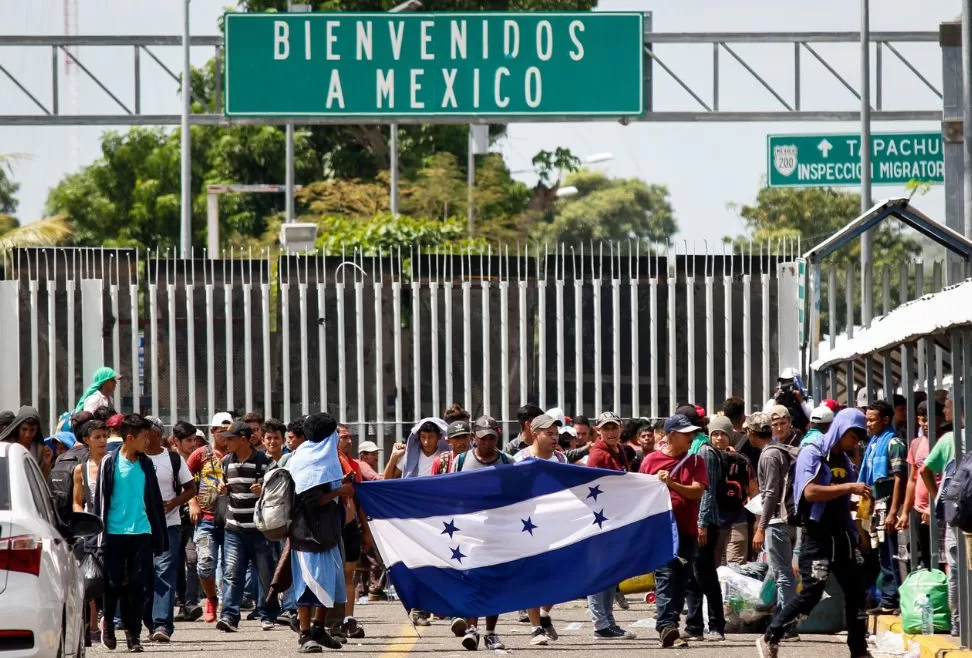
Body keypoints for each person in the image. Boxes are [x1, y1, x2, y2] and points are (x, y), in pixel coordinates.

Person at [757, 409, 871, 658]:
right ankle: (772, 635)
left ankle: (859, 649)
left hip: (842, 534)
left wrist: (857, 512)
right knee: (812, 592)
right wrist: (849, 487)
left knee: (856, 591)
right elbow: (809, 492)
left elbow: (838, 498)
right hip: (817, 534)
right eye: (854, 434)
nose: (856, 440)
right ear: (841, 429)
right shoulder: (813, 452)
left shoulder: (845, 458)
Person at [95, 414, 169, 653]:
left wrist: (159, 535)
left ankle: (133, 634)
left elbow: (155, 501)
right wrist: (98, 538)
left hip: (141, 532)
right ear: (130, 438)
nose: (147, 441)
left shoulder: (147, 464)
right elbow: (101, 502)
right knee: (114, 583)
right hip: (115, 533)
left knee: (138, 586)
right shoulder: (110, 462)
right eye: (144, 437)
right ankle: (108, 623)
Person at [640, 414, 708, 649]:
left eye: (692, 432)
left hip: (686, 530)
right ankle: (667, 625)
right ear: (671, 435)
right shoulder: (650, 461)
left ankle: (670, 624)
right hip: (661, 530)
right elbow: (640, 494)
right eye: (686, 433)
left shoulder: (697, 461)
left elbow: (697, 492)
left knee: (682, 577)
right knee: (666, 575)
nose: (691, 437)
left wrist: (673, 484)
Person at [287, 412, 350, 653]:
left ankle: (319, 628)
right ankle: (305, 635)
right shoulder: (309, 460)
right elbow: (311, 499)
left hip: (328, 532)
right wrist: (340, 492)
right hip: (307, 535)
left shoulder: (326, 458)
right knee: (307, 584)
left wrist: (340, 485)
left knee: (329, 582)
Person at [452, 415, 513, 651]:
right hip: (468, 531)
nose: (488, 442)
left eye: (491, 438)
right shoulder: (461, 460)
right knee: (473, 581)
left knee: (494, 583)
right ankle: (472, 629)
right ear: (473, 438)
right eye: (483, 438)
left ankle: (490, 632)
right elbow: (449, 491)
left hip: (498, 532)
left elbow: (517, 493)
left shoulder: (507, 461)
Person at [216, 420, 279, 632]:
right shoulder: (225, 462)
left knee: (264, 573)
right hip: (234, 528)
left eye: (230, 439)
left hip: (260, 529)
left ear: (243, 440)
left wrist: (263, 490)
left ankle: (267, 613)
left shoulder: (265, 461)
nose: (226, 443)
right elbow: (223, 487)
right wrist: (222, 489)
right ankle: (229, 616)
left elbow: (279, 488)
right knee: (232, 572)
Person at [142, 417, 196, 643]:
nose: (143, 438)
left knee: (164, 571)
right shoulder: (134, 459)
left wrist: (174, 502)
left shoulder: (172, 459)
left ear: (156, 434)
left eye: (146, 433)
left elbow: (191, 488)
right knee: (145, 574)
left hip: (169, 525)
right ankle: (148, 621)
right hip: (140, 526)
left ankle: (162, 624)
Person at [584, 411, 637, 641]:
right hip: (601, 520)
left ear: (621, 427)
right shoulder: (598, 455)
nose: (611, 432)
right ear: (598, 430)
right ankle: (601, 624)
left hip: (615, 519)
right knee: (600, 573)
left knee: (610, 574)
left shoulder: (618, 451)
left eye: (614, 427)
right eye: (606, 428)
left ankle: (608, 621)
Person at [514, 413, 566, 645]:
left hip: (556, 527)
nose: (554, 438)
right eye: (549, 433)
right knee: (531, 577)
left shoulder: (562, 460)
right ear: (535, 434)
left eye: (556, 433)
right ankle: (535, 628)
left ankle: (544, 614)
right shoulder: (519, 460)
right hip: (528, 527)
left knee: (561, 577)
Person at [749, 411, 800, 641]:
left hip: (779, 521)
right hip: (792, 519)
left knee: (783, 575)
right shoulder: (783, 450)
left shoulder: (769, 455)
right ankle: (779, 617)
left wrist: (762, 525)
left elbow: (770, 493)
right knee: (782, 573)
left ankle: (787, 625)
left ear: (751, 433)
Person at [683, 405, 725, 643]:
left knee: (705, 574)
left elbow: (706, 492)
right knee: (692, 576)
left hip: (705, 522)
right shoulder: (692, 449)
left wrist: (701, 524)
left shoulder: (705, 451)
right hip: (692, 521)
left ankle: (717, 625)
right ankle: (694, 624)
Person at [186, 411, 233, 623]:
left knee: (231, 567)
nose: (225, 436)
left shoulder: (238, 453)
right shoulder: (200, 454)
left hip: (232, 518)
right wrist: (192, 502)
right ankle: (212, 598)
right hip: (206, 517)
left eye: (229, 432)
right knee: (205, 563)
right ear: (213, 432)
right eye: (221, 432)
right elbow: (185, 480)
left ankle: (229, 607)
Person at [859, 400, 906, 614]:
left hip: (888, 506)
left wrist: (893, 512)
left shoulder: (893, 443)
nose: (868, 424)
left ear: (885, 420)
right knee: (881, 554)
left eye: (872, 419)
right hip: (876, 507)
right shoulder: (873, 443)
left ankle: (892, 600)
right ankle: (886, 598)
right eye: (866, 419)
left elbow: (899, 479)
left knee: (891, 554)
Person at [919, 405, 960, 635]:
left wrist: (937, 499)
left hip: (956, 512)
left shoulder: (949, 439)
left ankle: (958, 623)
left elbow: (924, 470)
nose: (946, 409)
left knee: (954, 567)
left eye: (947, 405)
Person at [332, 423, 372, 640]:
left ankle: (348, 618)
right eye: (344, 437)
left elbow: (359, 500)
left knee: (350, 574)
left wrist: (366, 531)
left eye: (349, 437)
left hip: (350, 527)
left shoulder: (355, 466)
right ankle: (330, 620)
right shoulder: (329, 462)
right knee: (333, 575)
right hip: (332, 527)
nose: (349, 441)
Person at [72, 419, 108, 646]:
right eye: (97, 437)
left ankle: (108, 623)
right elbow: (77, 502)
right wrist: (84, 523)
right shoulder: (81, 469)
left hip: (113, 530)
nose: (103, 441)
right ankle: (91, 626)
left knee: (111, 579)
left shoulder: (114, 464)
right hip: (90, 533)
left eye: (105, 436)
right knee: (90, 579)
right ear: (87, 441)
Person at [898, 400, 944, 569]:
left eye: (930, 419)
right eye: (923, 420)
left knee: (942, 558)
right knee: (926, 555)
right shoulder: (916, 444)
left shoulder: (945, 442)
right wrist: (905, 512)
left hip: (940, 510)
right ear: (918, 420)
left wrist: (934, 506)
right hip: (919, 511)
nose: (926, 425)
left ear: (940, 419)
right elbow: (912, 479)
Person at [709, 415, 755, 566]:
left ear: (730, 436)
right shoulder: (703, 458)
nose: (719, 438)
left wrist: (758, 523)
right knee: (713, 568)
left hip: (738, 518)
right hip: (713, 522)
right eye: (715, 434)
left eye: (723, 434)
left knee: (736, 567)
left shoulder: (741, 460)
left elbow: (754, 489)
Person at [171, 421, 204, 623]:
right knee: (174, 563)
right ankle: (183, 603)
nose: (193, 444)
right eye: (189, 440)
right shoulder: (171, 460)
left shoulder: (201, 460)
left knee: (193, 560)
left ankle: (192, 602)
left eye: (195, 440)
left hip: (195, 520)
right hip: (174, 518)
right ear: (177, 441)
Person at [383, 417, 448, 480]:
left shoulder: (445, 457)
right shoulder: (408, 456)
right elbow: (387, 480)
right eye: (423, 437)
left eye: (431, 437)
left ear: (439, 436)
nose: (426, 442)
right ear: (418, 437)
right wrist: (393, 457)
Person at [0, 406, 51, 475]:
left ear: (37, 430)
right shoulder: (7, 446)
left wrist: (46, 464)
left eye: (32, 430)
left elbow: (41, 482)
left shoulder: (39, 451)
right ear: (17, 428)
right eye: (24, 429)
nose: (27, 434)